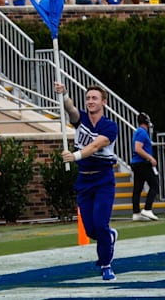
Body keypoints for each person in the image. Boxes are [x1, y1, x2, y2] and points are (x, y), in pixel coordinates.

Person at [57, 83, 120, 279]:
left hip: (103, 180)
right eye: (88, 98)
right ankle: (110, 237)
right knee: (91, 229)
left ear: (104, 102)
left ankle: (106, 265)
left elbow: (94, 146)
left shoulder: (110, 126)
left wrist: (74, 156)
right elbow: (69, 108)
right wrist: (64, 94)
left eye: (94, 98)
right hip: (84, 180)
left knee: (101, 225)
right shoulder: (81, 119)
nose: (90, 101)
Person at [129, 112, 160, 221]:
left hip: (137, 163)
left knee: (137, 187)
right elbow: (138, 148)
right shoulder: (142, 132)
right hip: (142, 163)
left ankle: (136, 212)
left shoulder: (138, 132)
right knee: (154, 184)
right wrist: (150, 158)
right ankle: (147, 209)